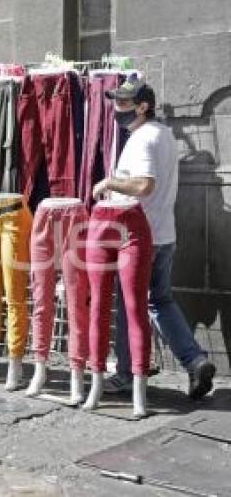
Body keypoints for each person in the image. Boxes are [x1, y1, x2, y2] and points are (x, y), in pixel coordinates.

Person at [93, 78, 216, 400]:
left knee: (130, 305)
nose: (116, 109)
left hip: (138, 237)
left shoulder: (142, 139)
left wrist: (110, 183)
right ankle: (195, 360)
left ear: (143, 106)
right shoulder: (163, 134)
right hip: (163, 234)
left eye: (123, 103)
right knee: (159, 302)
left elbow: (144, 185)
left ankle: (125, 374)